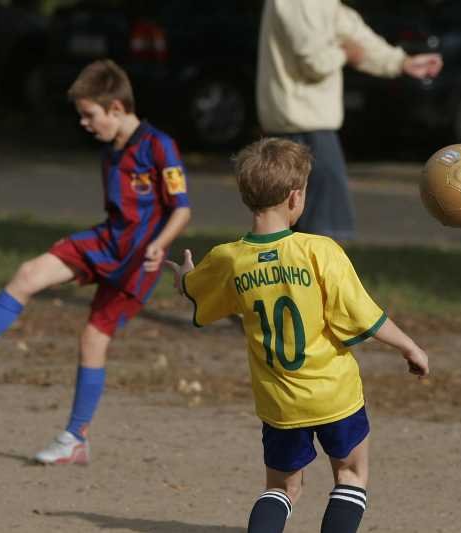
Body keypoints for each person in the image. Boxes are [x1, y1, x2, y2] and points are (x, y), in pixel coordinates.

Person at [0, 59, 192, 465]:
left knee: (93, 340)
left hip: (137, 260)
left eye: (89, 115)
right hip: (105, 240)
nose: (84, 123)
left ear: (116, 107)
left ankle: (76, 438)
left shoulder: (158, 145)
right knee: (29, 273)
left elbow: (182, 209)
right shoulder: (110, 152)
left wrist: (159, 244)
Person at [165, 138, 429, 533]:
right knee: (351, 475)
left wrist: (185, 277)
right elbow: (365, 316)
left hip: (279, 403)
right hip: (335, 396)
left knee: (281, 488)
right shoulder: (320, 251)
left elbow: (194, 289)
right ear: (295, 197)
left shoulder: (229, 259)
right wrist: (409, 346)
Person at [256, 0, 443, 240]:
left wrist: (401, 62)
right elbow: (314, 61)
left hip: (307, 125)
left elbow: (355, 34)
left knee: (297, 235)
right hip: (302, 128)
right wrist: (344, 52)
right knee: (324, 234)